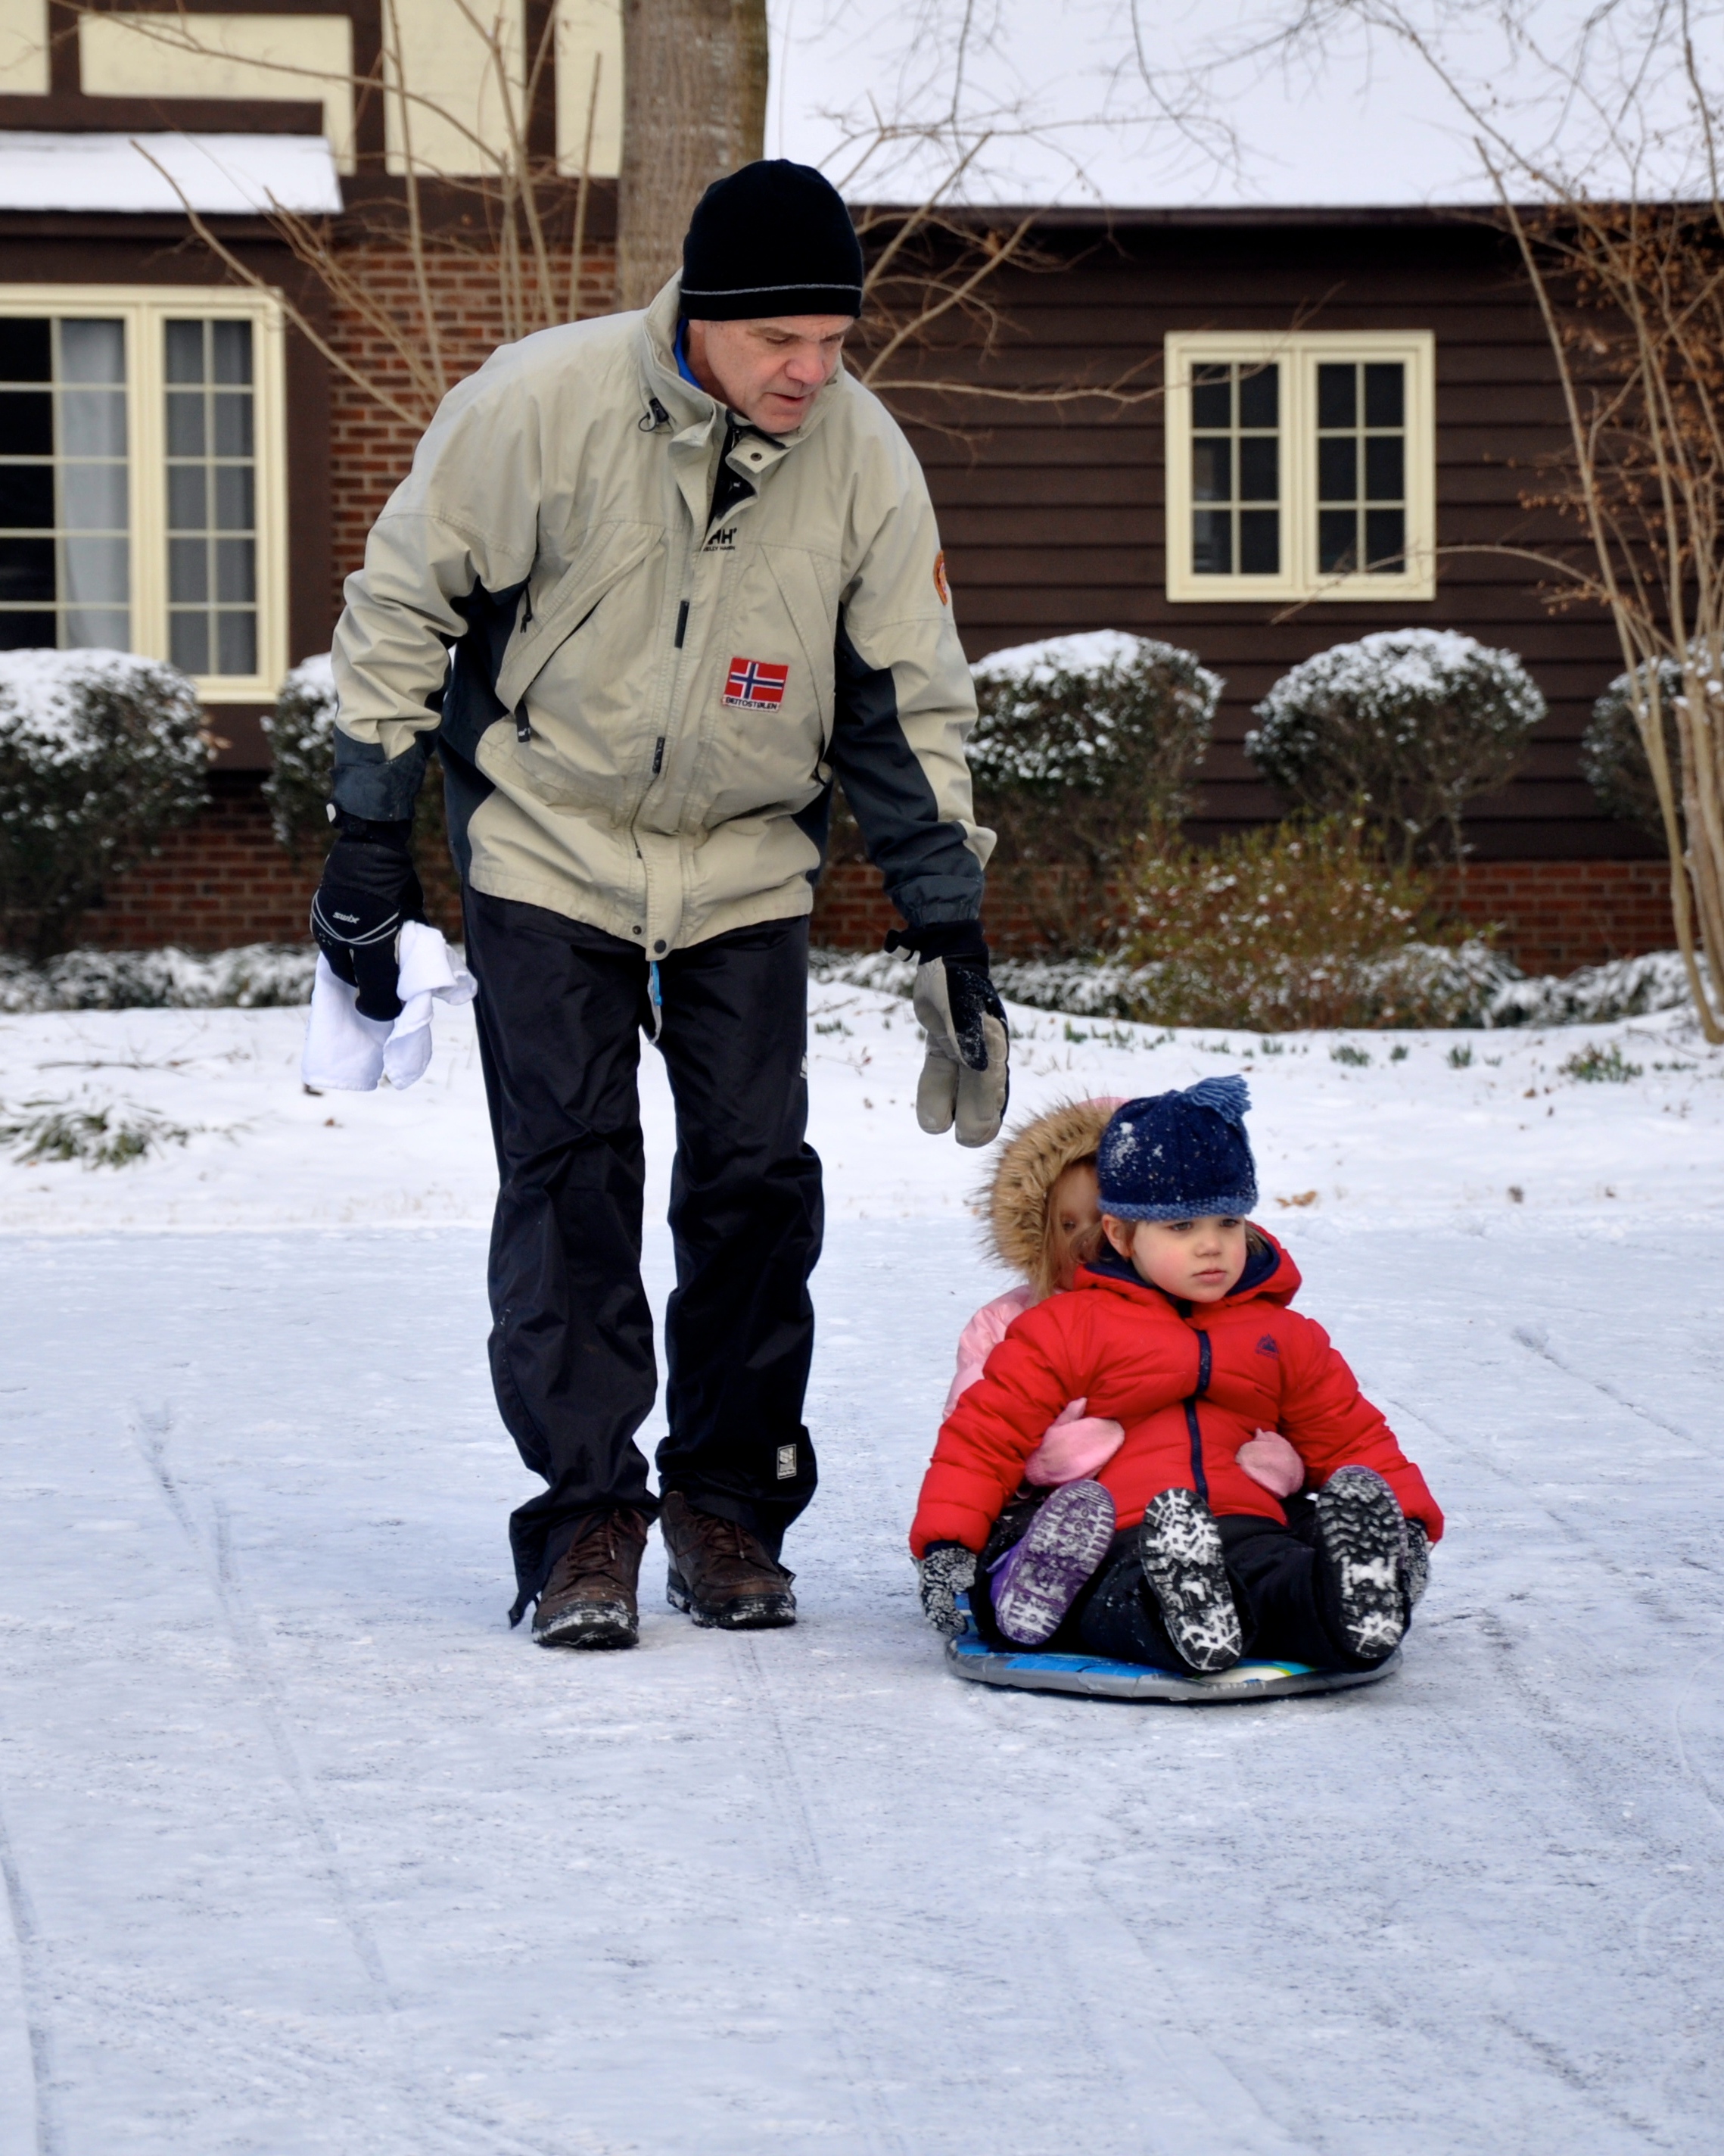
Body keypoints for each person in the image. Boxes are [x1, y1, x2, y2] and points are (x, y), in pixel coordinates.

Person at [310, 159, 1010, 1651]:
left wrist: (948, 921)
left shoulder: (860, 456)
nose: (811, 374)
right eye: (782, 344)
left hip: (744, 860)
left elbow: (902, 699)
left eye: (833, 342)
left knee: (755, 1178)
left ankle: (724, 1505)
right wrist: (368, 836)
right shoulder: (538, 405)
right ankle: (583, 1520)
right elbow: (400, 603)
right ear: (703, 316)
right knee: (571, 1172)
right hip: (544, 838)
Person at [912, 1077, 1441, 1672]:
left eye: (1227, 1223)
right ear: (1121, 1235)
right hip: (1123, 1531)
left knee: (1284, 1580)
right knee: (1122, 1595)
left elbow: (1352, 1438)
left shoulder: (1282, 1335)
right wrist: (949, 1544)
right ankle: (1180, 1609)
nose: (1211, 1247)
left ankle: (1349, 1605)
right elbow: (987, 1434)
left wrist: (1409, 1527)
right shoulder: (1068, 1325)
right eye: (1181, 1228)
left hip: (1250, 1523)